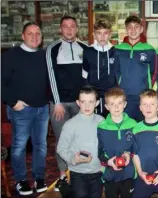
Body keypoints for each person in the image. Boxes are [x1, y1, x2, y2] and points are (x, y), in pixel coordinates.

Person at [1, 22, 49, 195]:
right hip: (21, 110)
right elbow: (2, 82)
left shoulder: (44, 55)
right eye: (30, 33)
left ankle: (39, 177)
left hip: (42, 108)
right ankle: (21, 180)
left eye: (38, 34)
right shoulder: (10, 56)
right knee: (19, 146)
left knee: (41, 146)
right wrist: (13, 102)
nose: (35, 36)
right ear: (23, 35)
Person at [46, 15, 87, 191]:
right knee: (63, 140)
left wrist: (86, 102)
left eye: (72, 26)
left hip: (80, 103)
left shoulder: (85, 48)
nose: (69, 30)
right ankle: (63, 175)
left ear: (77, 28)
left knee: (81, 138)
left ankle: (80, 173)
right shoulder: (52, 49)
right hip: (59, 104)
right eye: (65, 26)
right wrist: (57, 102)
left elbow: (87, 77)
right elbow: (51, 76)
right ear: (60, 29)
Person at [56, 85, 105, 198]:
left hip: (97, 171)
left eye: (91, 102)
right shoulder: (70, 124)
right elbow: (61, 148)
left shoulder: (102, 122)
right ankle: (66, 190)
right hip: (78, 172)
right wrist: (73, 159)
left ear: (97, 103)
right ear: (78, 103)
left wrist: (106, 163)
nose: (87, 106)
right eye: (83, 102)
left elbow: (106, 144)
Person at [114, 15, 156, 122]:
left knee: (142, 127)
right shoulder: (117, 49)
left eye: (136, 27)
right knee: (126, 126)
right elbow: (116, 71)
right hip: (124, 96)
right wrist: (120, 86)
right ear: (126, 29)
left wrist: (147, 89)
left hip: (143, 97)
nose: (133, 30)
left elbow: (154, 72)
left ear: (141, 29)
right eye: (130, 27)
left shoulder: (149, 49)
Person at [97, 87, 137, 198]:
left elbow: (137, 146)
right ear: (106, 106)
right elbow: (99, 151)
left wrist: (129, 154)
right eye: (112, 104)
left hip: (128, 172)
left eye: (119, 103)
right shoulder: (102, 127)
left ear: (125, 104)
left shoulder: (133, 124)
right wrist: (107, 162)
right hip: (110, 174)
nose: (116, 107)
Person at [83, 19, 117, 117]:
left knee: (111, 123)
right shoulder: (88, 52)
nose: (102, 36)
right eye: (99, 33)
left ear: (110, 34)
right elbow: (84, 76)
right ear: (94, 34)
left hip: (111, 96)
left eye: (105, 33)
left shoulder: (116, 52)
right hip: (94, 96)